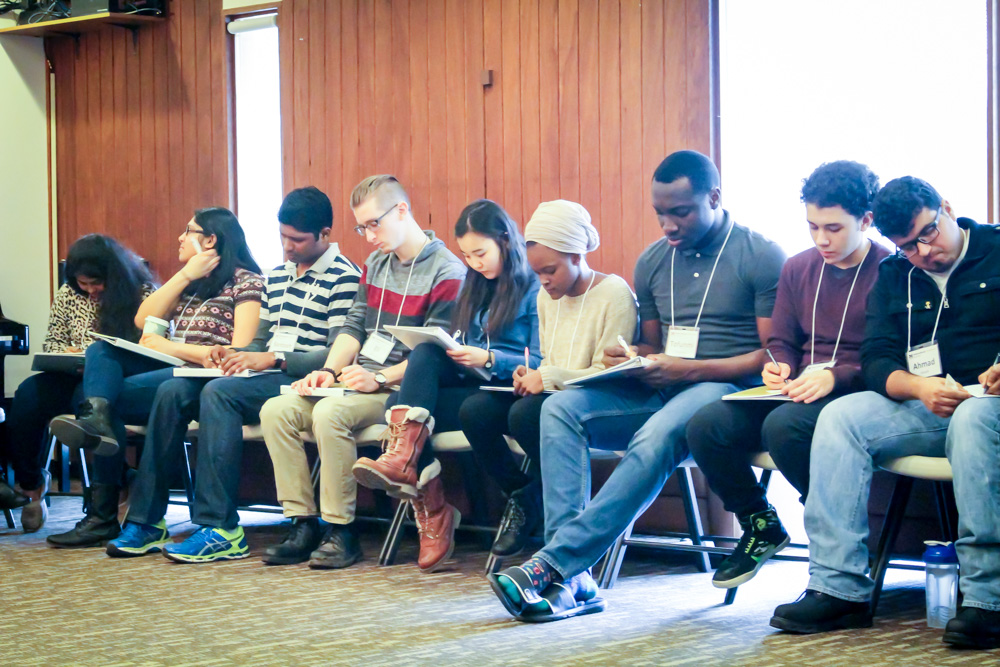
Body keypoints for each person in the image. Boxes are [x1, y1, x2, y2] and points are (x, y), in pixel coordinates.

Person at [488, 149, 786, 622]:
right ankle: (575, 582)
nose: (668, 225)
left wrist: (686, 370)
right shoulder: (653, 261)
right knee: (559, 408)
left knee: (655, 435)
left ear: (714, 198)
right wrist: (629, 358)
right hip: (665, 385)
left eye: (680, 212)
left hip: (727, 392)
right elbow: (650, 345)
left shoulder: (760, 255)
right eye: (659, 213)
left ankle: (554, 564)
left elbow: (774, 355)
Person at [770, 176, 1000, 650]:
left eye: (928, 233)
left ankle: (987, 598)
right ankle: (838, 589)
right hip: (929, 403)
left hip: (989, 405)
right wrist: (918, 387)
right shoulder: (895, 274)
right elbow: (876, 359)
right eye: (907, 246)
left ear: (947, 208)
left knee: (973, 419)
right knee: (842, 417)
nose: (923, 252)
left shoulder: (996, 248)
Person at [105, 186, 360, 562]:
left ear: (325, 234)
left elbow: (338, 352)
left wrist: (273, 359)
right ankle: (146, 521)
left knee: (219, 393)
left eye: (297, 240)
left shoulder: (344, 276)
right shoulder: (279, 275)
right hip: (266, 371)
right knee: (173, 390)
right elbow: (258, 341)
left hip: (303, 378)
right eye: (282, 237)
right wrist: (235, 354)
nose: (287, 247)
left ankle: (220, 526)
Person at [685, 161, 889, 588]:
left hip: (857, 389)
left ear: (866, 221)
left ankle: (837, 530)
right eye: (812, 227)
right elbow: (781, 340)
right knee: (706, 425)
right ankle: (760, 524)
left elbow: (888, 357)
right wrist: (778, 365)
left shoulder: (890, 270)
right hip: (799, 388)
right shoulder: (798, 267)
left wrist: (837, 376)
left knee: (784, 427)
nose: (821, 239)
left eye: (833, 228)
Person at [258, 175, 466, 572]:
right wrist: (328, 370)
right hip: (357, 379)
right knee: (276, 411)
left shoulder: (447, 270)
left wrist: (380, 379)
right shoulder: (375, 264)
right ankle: (302, 523)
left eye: (374, 224)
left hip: (397, 388)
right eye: (362, 227)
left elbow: (437, 352)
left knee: (329, 414)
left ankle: (341, 529)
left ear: (401, 211)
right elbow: (353, 326)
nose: (369, 236)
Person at [46, 207, 264, 548]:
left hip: (206, 379)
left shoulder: (246, 281)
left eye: (188, 231)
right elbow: (142, 320)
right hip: (175, 369)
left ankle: (106, 515)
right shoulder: (191, 283)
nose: (180, 237)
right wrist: (185, 275)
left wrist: (169, 346)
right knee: (100, 354)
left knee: (94, 399)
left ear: (210, 240)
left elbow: (237, 352)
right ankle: (97, 424)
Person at [348, 199, 542, 567]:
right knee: (420, 363)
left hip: (509, 389)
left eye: (481, 253)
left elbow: (543, 359)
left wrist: (490, 358)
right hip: (473, 382)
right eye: (467, 255)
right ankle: (416, 482)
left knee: (415, 409)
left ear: (505, 240)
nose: (475, 263)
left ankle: (439, 494)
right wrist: (457, 350)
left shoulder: (534, 287)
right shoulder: (474, 285)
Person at [455, 199, 638, 559]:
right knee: (475, 411)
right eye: (537, 273)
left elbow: (609, 375)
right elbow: (549, 361)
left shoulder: (614, 293)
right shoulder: (545, 296)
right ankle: (526, 495)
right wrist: (531, 373)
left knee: (526, 414)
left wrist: (547, 377)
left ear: (577, 255)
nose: (543, 281)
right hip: (555, 395)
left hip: (596, 401)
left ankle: (539, 502)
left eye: (550, 270)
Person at [0, 234, 153, 533]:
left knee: (87, 401)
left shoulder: (142, 294)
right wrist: (69, 354)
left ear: (114, 275)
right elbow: (53, 341)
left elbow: (148, 349)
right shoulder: (68, 294)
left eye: (96, 283)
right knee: (27, 395)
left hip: (117, 380)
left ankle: (115, 486)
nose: (90, 290)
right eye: (84, 284)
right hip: (69, 373)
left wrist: (97, 359)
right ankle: (32, 485)